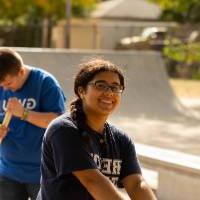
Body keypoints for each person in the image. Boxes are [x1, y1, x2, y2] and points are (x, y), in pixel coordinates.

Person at [37, 58, 157, 200]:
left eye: (115, 87)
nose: (109, 93)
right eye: (100, 85)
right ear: (81, 91)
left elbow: (137, 184)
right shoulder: (63, 130)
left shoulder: (121, 139)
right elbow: (92, 181)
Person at [0, 48, 66, 200]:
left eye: (9, 83)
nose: (5, 88)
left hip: (43, 173)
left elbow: (58, 122)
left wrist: (24, 113)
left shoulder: (45, 82)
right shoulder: (1, 85)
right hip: (7, 172)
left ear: (21, 72)